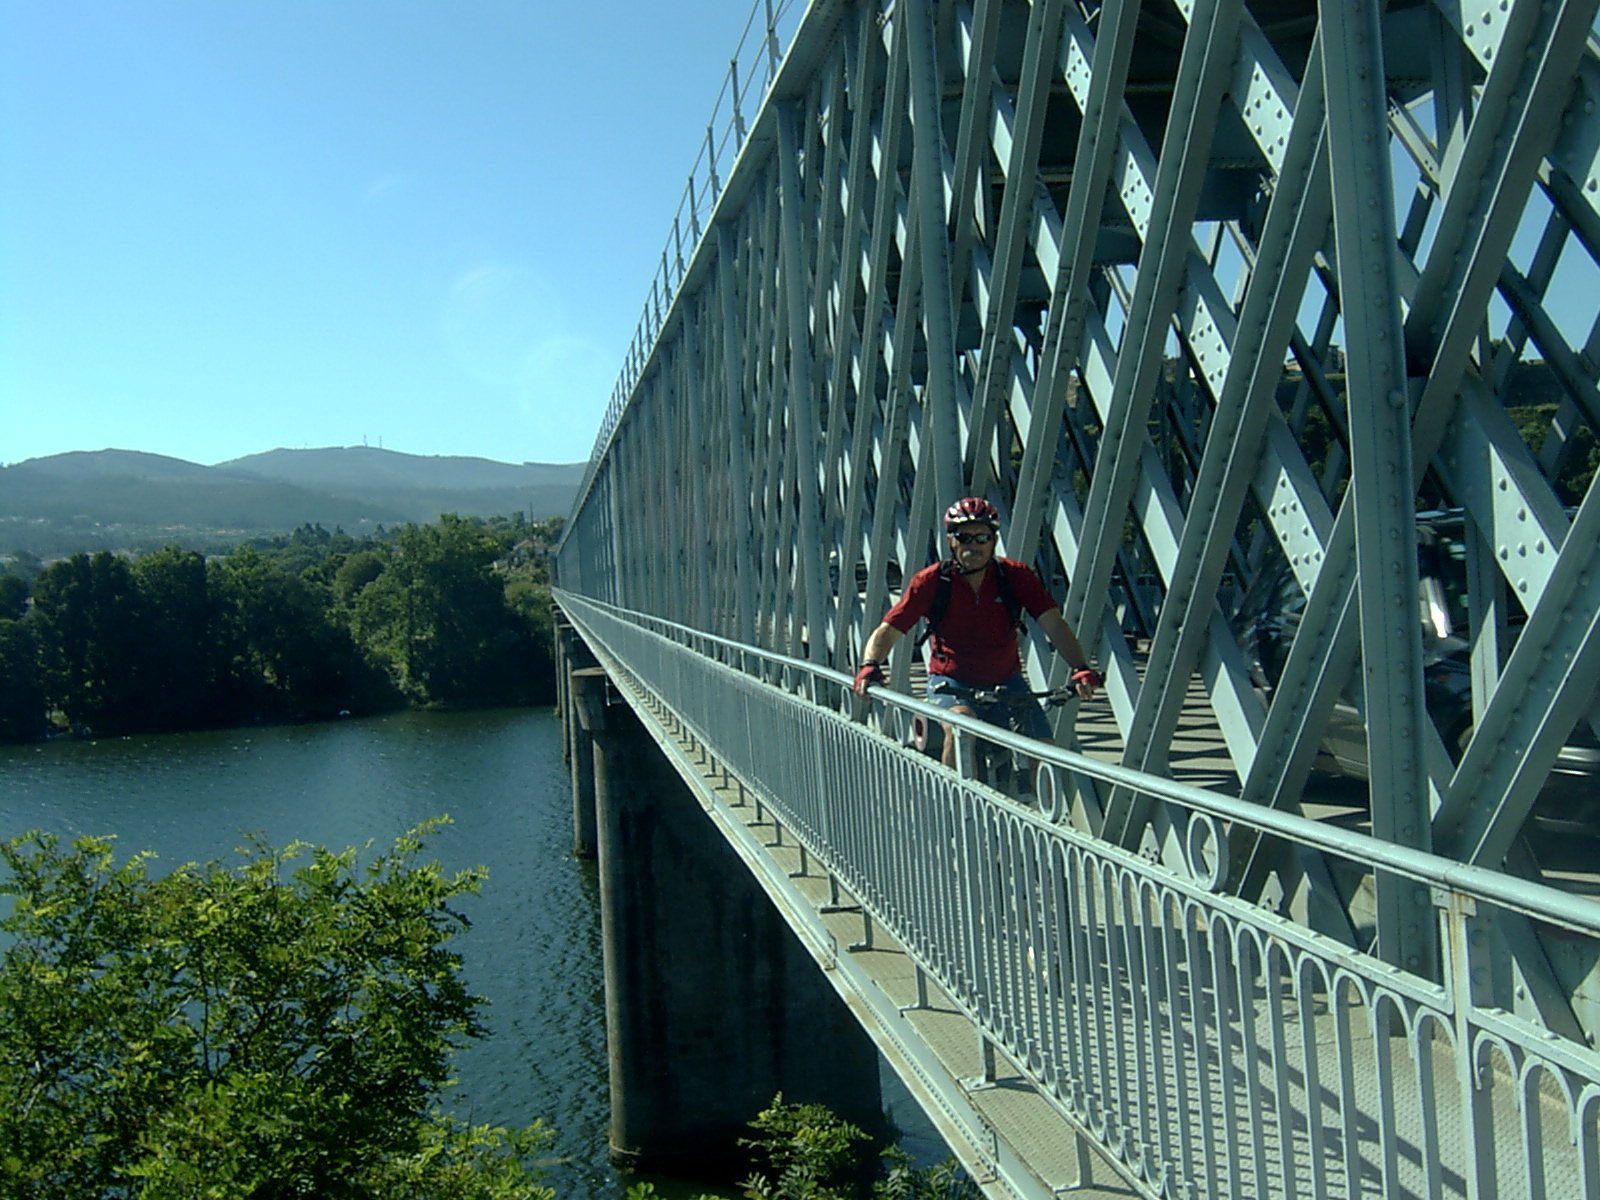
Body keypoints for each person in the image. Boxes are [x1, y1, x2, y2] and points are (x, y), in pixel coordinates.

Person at [852, 496, 1102, 771]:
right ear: (951, 541)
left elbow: (1054, 625)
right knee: (962, 729)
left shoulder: (1015, 577)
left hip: (1007, 682)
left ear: (994, 540)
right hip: (951, 682)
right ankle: (956, 807)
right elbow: (889, 629)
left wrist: (1080, 667)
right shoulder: (933, 581)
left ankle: (1046, 814)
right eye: (964, 537)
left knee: (1042, 749)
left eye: (982, 537)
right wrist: (870, 665)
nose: (974, 545)